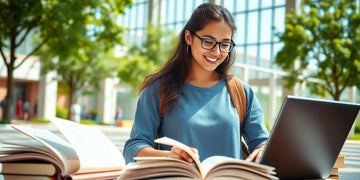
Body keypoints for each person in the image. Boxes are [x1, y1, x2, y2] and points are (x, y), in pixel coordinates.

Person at [123, 3, 269, 164]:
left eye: (225, 44)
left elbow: (262, 143)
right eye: (208, 41)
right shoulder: (158, 90)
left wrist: (264, 149)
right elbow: (133, 148)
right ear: (188, 37)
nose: (217, 51)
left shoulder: (241, 91)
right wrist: (169, 156)